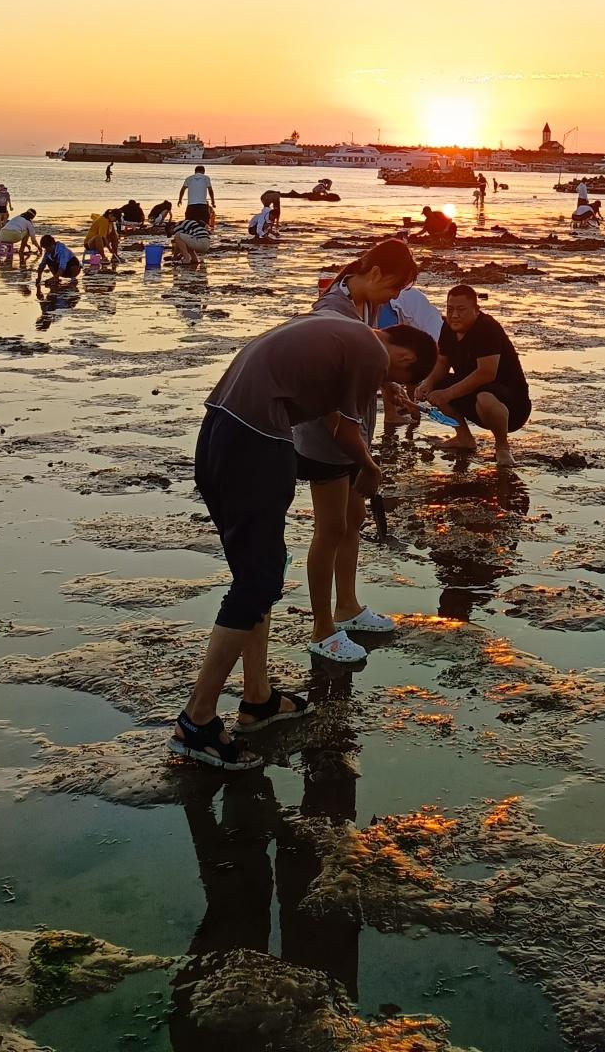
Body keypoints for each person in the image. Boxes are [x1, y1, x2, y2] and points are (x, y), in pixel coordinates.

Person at [172, 310, 435, 770]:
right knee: (258, 580)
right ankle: (197, 720)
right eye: (399, 374)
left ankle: (257, 698)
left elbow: (324, 394)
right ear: (405, 354)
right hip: (254, 441)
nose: (387, 381)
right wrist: (370, 469)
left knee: (258, 571)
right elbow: (347, 428)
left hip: (219, 430)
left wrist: (378, 387)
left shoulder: (340, 329)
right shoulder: (370, 350)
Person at [296, 242, 439, 662]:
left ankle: (348, 606)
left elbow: (369, 360)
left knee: (353, 518)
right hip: (328, 436)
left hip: (355, 429)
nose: (395, 299)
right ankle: (323, 628)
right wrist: (366, 461)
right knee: (329, 528)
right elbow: (327, 396)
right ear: (374, 273)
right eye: (394, 288)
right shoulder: (332, 313)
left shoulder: (366, 307)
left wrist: (389, 386)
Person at [418, 284, 531, 467]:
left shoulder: (487, 328)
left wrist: (449, 393)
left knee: (484, 397)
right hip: (473, 394)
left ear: (476, 310)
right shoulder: (448, 327)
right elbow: (442, 362)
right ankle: (463, 437)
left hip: (510, 403)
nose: (454, 315)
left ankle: (502, 447)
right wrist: (428, 383)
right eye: (450, 309)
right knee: (438, 386)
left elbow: (486, 373)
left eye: (461, 310)